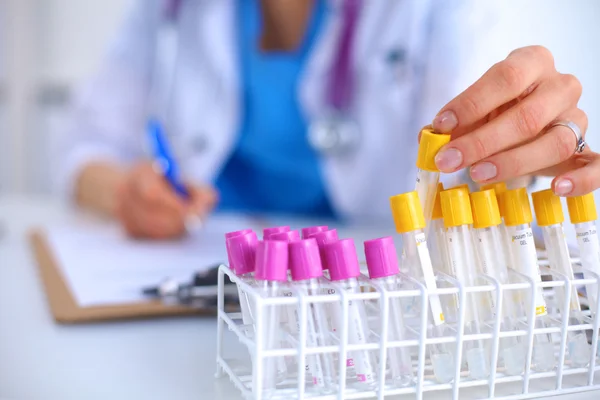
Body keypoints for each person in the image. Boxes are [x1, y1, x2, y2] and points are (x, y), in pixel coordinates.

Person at [54, 0, 594, 240]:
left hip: (358, 277)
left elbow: (469, 159)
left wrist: (517, 150)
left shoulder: (438, 8)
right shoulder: (170, 7)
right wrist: (125, 192)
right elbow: (84, 145)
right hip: (202, 265)